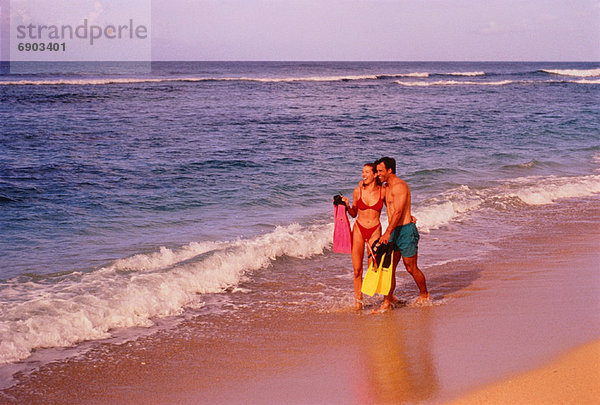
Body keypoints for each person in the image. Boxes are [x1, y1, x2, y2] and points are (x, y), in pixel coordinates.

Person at [375, 157, 429, 312]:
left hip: (405, 230)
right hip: (393, 231)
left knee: (410, 267)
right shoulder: (386, 188)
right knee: (388, 268)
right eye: (377, 171)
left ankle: (424, 294)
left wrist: (387, 232)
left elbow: (398, 212)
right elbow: (389, 208)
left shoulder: (400, 186)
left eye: (381, 171)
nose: (378, 174)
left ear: (390, 170)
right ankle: (387, 302)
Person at [341, 163, 385, 310]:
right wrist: (347, 205)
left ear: (374, 175)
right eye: (362, 172)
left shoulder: (382, 192)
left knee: (375, 267)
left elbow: (393, 208)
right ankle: (358, 303)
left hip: (375, 230)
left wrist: (407, 216)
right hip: (359, 229)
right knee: (357, 270)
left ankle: (388, 297)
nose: (363, 175)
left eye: (367, 172)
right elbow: (354, 213)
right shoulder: (357, 191)